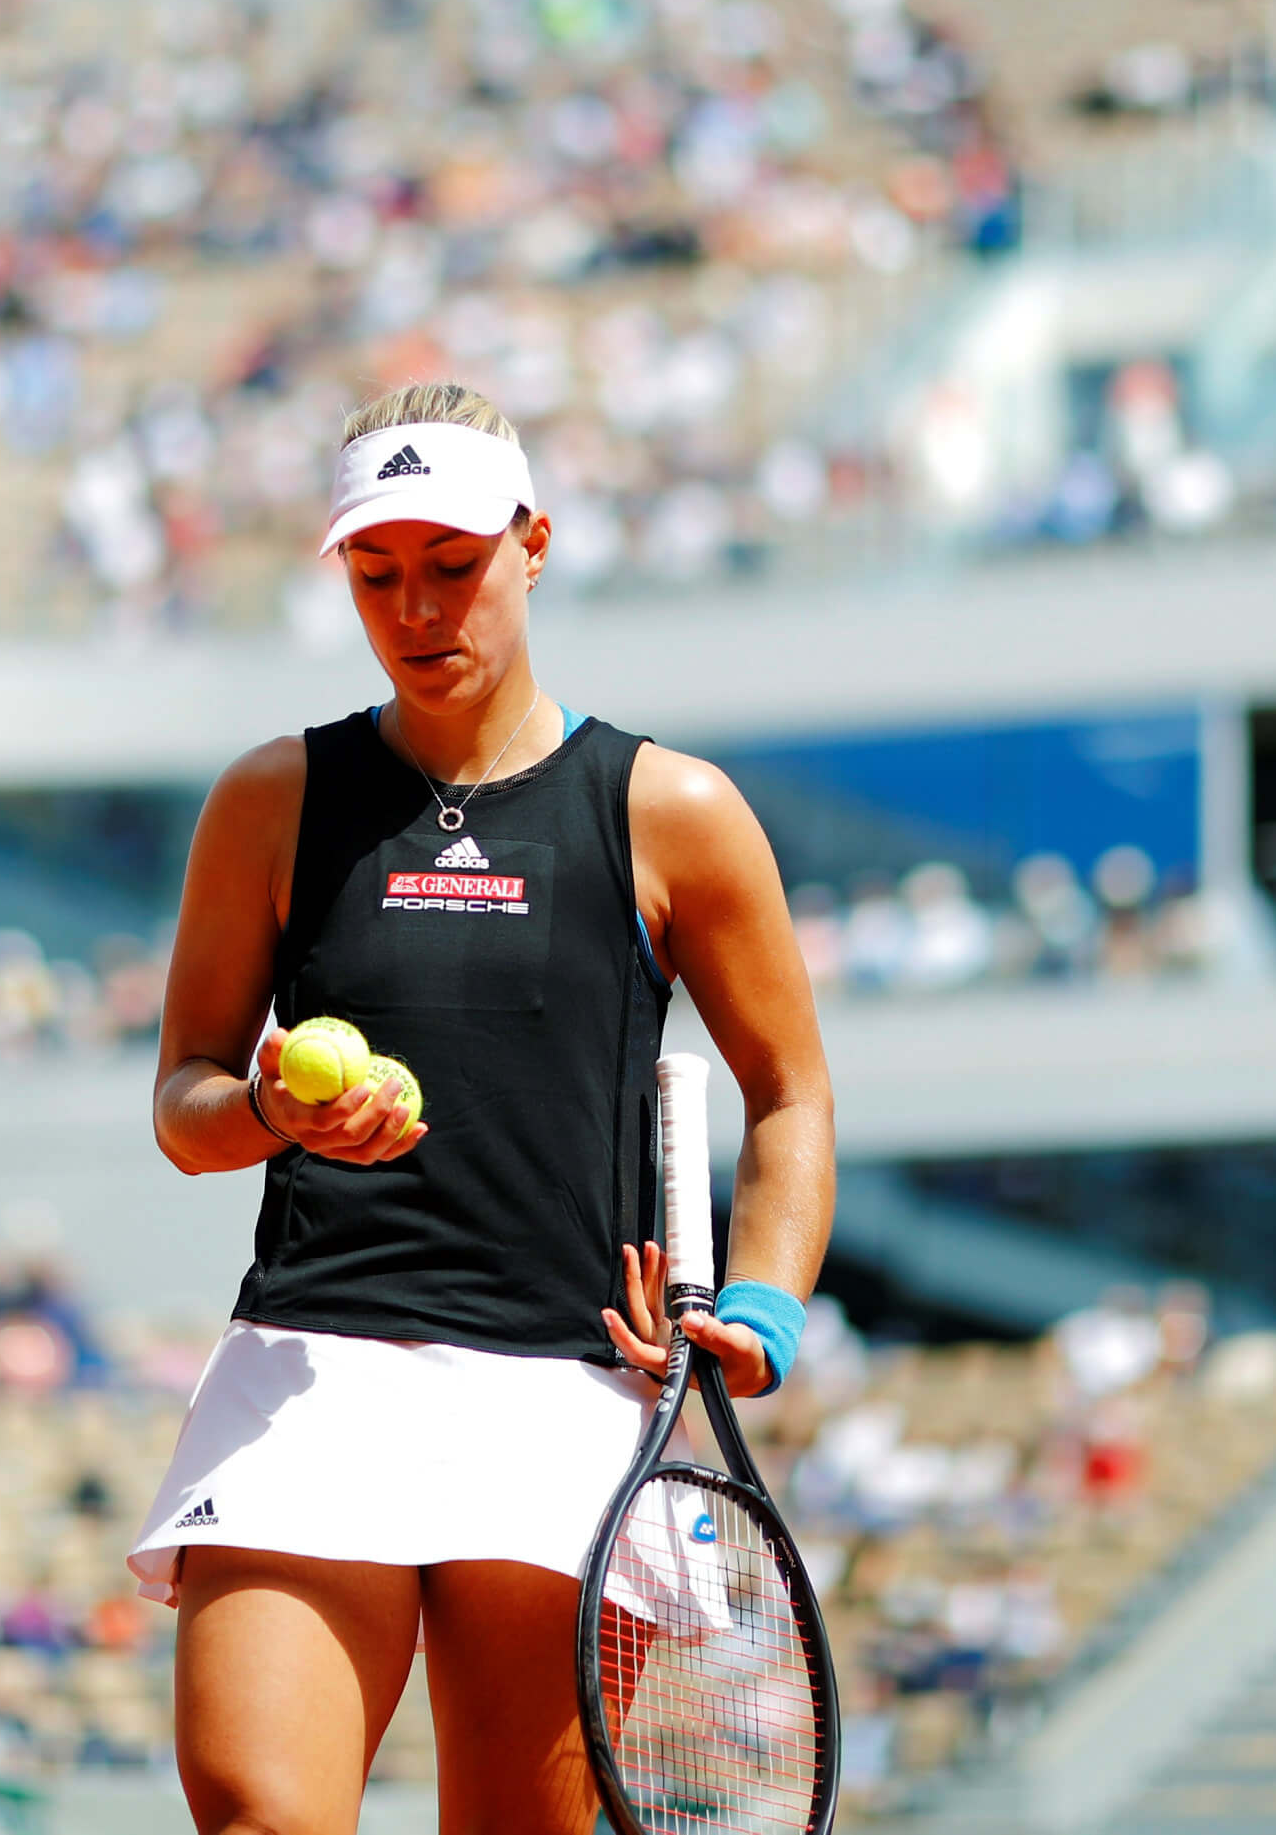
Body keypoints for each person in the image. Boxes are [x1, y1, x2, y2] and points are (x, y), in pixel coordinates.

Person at [134, 382, 839, 1835]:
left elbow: (791, 1092)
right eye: (377, 574)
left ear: (533, 542)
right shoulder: (272, 796)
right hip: (313, 1366)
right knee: (256, 1814)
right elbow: (186, 1104)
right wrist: (270, 1106)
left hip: (567, 1390)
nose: (416, 606)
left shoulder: (672, 808)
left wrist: (764, 1307)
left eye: (452, 564)